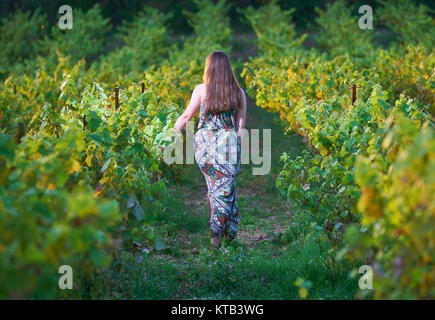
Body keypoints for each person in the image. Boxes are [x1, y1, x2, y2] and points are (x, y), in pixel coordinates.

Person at [174, 50, 247, 248]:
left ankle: (221, 233)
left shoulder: (201, 90)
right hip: (228, 145)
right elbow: (240, 125)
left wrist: (170, 134)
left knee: (215, 190)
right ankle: (220, 235)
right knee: (225, 190)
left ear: (210, 69)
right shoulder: (238, 93)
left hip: (204, 146)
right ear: (227, 69)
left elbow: (186, 116)